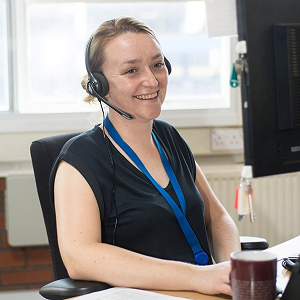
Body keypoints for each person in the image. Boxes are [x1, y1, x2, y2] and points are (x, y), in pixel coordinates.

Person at [51, 16, 241, 296]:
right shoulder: (79, 160)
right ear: (99, 86)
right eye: (131, 71)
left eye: (157, 64)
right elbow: (80, 257)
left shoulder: (169, 137)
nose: (151, 80)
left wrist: (234, 267)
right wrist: (199, 277)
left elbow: (216, 217)